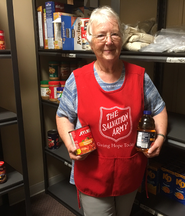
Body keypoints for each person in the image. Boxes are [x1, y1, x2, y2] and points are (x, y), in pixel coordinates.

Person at [56, 5, 168, 216]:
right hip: (92, 172)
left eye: (114, 34)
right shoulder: (78, 79)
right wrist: (69, 143)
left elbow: (159, 109)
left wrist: (160, 137)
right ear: (90, 40)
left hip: (129, 170)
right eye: (101, 35)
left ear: (122, 38)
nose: (109, 41)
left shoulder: (139, 77)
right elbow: (63, 115)